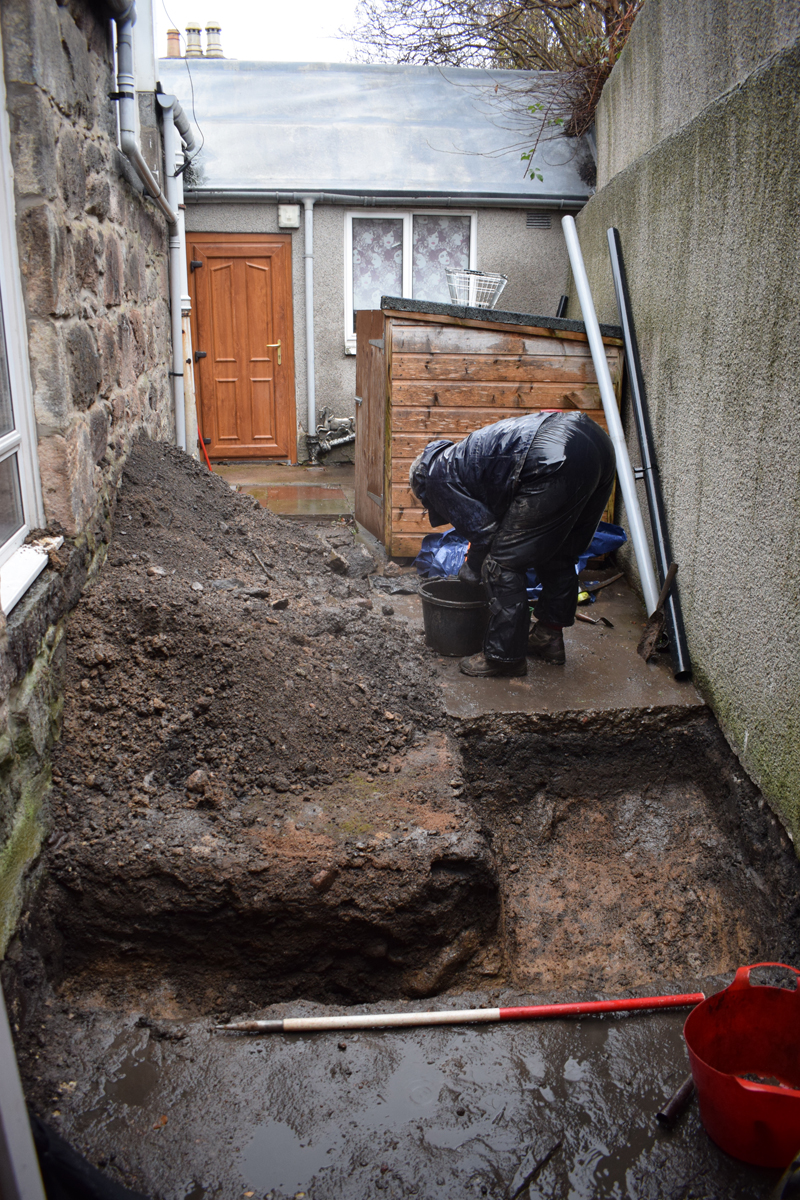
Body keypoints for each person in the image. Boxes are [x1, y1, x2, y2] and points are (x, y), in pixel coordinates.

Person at [409, 411, 616, 677]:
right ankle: (548, 639)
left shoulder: (436, 476)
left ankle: (504, 658)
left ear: (422, 488)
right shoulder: (462, 459)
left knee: (502, 564)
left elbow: (485, 534)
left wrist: (472, 569)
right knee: (559, 554)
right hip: (596, 444)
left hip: (553, 456)